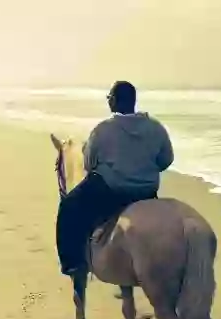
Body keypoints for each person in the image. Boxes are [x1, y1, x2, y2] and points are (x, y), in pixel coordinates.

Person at [56, 80, 174, 276]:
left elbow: (89, 164)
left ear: (116, 101)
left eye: (109, 97)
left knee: (68, 206)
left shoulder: (103, 130)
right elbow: (166, 160)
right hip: (146, 193)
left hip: (111, 191)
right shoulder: (156, 128)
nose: (108, 101)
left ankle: (72, 262)